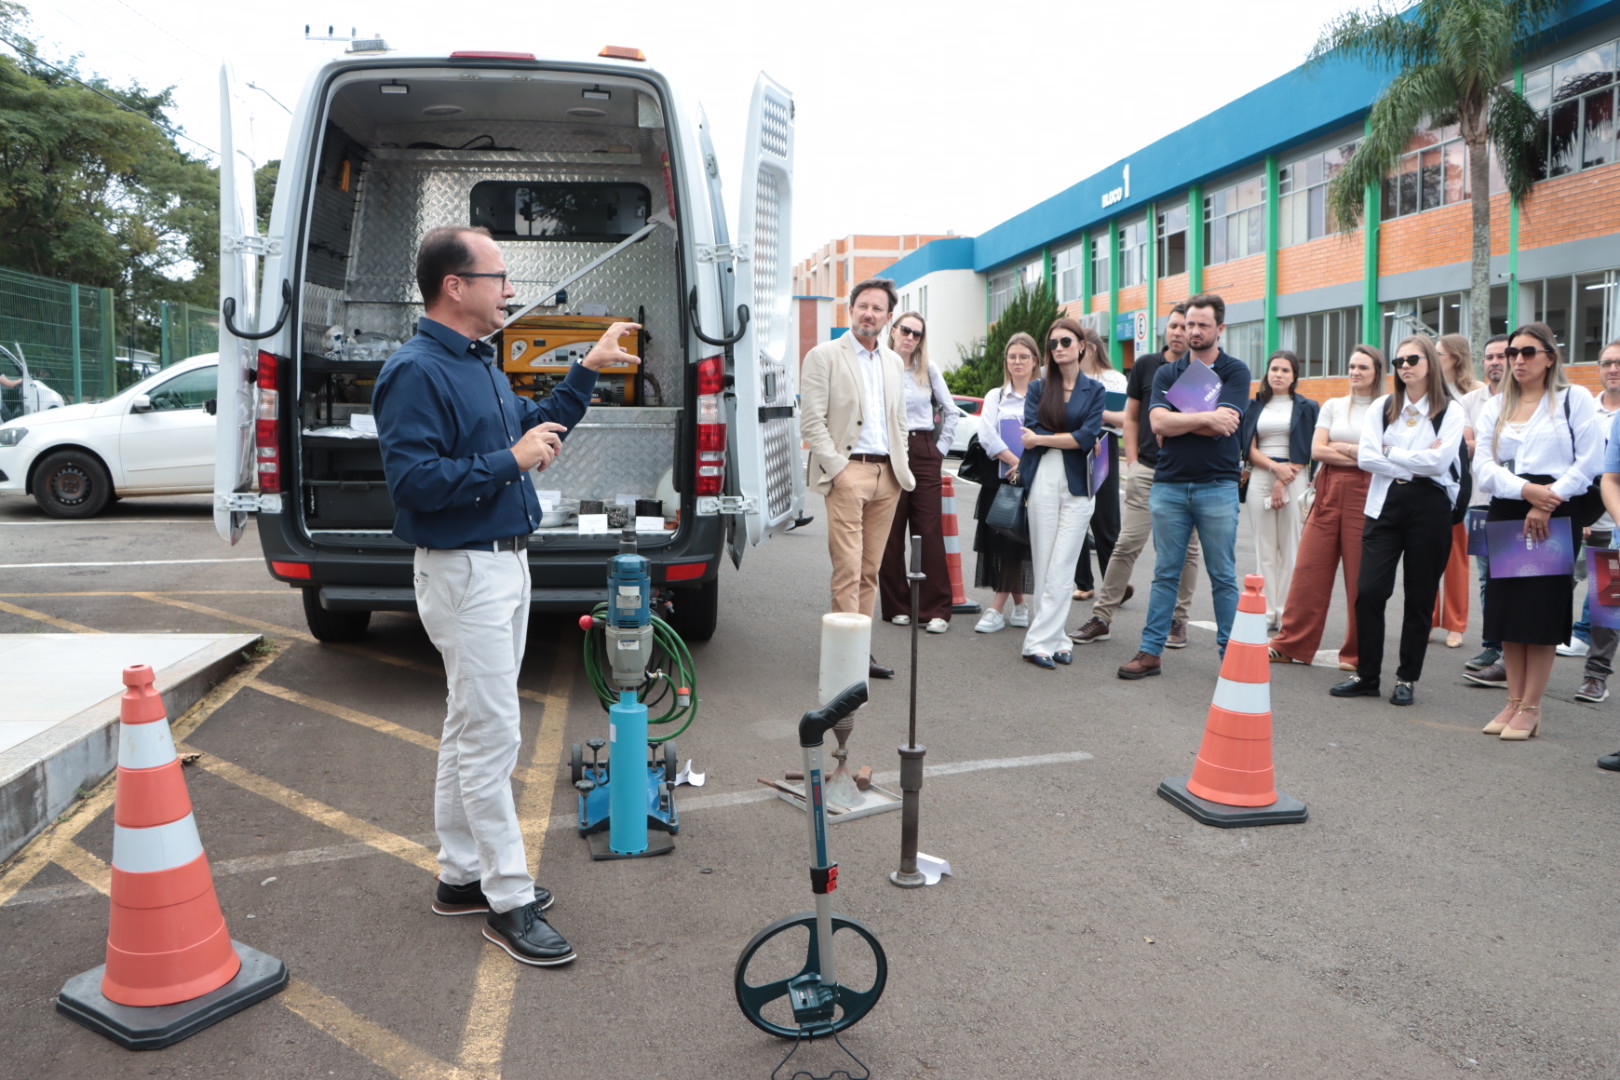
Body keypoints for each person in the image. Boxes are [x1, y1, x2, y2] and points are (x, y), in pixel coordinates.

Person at [373, 225, 638, 968]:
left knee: (468, 727)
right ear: (454, 286)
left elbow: (531, 429)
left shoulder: (476, 364)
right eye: (498, 276)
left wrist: (586, 370)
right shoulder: (414, 372)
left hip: (501, 568)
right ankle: (508, 899)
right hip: (463, 571)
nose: (509, 290)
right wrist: (507, 461)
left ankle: (461, 877)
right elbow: (413, 483)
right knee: (492, 738)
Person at [1472, 323, 1602, 739]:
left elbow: (1589, 462)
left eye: (1528, 352)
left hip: (1556, 510)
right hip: (1509, 508)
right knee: (1509, 611)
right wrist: (1526, 491)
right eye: (1512, 354)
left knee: (1540, 611)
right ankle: (1512, 702)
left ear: (1550, 356)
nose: (1518, 361)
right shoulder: (1496, 405)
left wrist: (1546, 500)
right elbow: (1484, 467)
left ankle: (1532, 706)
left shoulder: (1573, 399)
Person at [1117, 294, 1249, 679]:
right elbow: (1156, 423)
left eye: (1202, 325)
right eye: (1189, 324)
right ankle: (1150, 652)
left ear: (1220, 329)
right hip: (1170, 486)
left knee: (1223, 575)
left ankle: (1232, 656)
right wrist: (1205, 418)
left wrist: (1179, 420)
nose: (1193, 331)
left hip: (1217, 486)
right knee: (1164, 573)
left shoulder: (1236, 371)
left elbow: (1230, 424)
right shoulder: (1166, 373)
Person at [1330, 334, 1464, 707]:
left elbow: (1439, 464)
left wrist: (1391, 451)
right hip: (1384, 504)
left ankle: (1407, 678)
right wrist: (1412, 456)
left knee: (1419, 598)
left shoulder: (1451, 411)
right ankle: (1367, 675)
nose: (1404, 366)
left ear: (1430, 365)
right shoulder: (1382, 408)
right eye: (1399, 361)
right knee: (1369, 591)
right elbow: (1367, 459)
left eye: (1413, 360)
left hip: (1430, 506)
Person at [800, 278, 916, 679]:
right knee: (847, 569)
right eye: (863, 305)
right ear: (851, 310)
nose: (869, 313)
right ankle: (844, 657)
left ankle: (860, 653)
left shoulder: (894, 362)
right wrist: (839, 470)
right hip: (849, 472)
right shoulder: (824, 355)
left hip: (888, 476)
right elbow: (812, 420)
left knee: (871, 570)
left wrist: (900, 471)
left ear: (888, 317)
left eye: (877, 308)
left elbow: (898, 420)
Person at [1073, 304, 1200, 648]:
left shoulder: (1202, 372)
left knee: (1185, 551)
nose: (1177, 332)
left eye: (1184, 327)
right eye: (1173, 325)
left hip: (1186, 475)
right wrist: (1131, 459)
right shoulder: (1146, 366)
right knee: (1126, 544)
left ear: (1195, 332)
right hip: (1145, 468)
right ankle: (1102, 617)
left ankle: (1178, 620)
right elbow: (1130, 418)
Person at [1268, 345, 1383, 670]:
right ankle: (1290, 644)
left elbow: (1380, 456)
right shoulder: (1334, 404)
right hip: (1329, 487)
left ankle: (1358, 653)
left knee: (1361, 578)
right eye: (1352, 365)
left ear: (1376, 372)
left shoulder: (1385, 408)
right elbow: (1317, 450)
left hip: (1367, 491)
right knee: (1308, 568)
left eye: (1363, 367)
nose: (1355, 372)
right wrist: (1357, 452)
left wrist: (1341, 446)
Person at [1017, 317, 1105, 668]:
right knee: (1045, 560)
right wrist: (1044, 439)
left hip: (1080, 481)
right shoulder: (1039, 388)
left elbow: (1087, 436)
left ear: (1082, 345)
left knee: (1064, 563)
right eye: (1052, 344)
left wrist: (1041, 439)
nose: (1058, 349)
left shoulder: (1094, 390)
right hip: (1044, 475)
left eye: (1065, 342)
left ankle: (1042, 640)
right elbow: (1029, 428)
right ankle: (1052, 639)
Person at [877, 312, 957, 632]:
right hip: (888, 451)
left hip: (923, 450)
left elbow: (951, 412)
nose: (910, 337)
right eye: (906, 331)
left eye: (917, 334)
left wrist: (939, 451)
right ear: (893, 331)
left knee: (928, 530)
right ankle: (897, 605)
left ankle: (935, 608)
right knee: (891, 530)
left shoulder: (928, 369)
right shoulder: (879, 366)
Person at [1237, 349, 1318, 632]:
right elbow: (1248, 448)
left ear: (1294, 375)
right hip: (1260, 476)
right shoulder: (1254, 406)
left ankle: (1286, 611)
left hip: (1295, 477)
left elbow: (1309, 448)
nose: (1279, 375)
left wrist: (1282, 480)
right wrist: (1274, 470)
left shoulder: (1308, 407)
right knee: (1265, 549)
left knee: (1291, 549)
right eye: (1274, 369)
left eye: (1285, 370)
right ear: (1267, 373)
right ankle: (1267, 611)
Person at [971, 335, 1036, 633]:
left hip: (1035, 480)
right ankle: (1020, 605)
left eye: (1024, 356)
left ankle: (996, 607)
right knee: (1003, 541)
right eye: (1012, 357)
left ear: (1035, 360)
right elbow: (986, 435)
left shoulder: (1042, 395)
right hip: (1001, 480)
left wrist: (1025, 466)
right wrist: (1014, 461)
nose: (1017, 362)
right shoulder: (996, 395)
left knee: (1019, 542)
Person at [1570, 339, 1620, 705]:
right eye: (1607, 363)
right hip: (1588, 518)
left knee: (1606, 600)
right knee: (1552, 584)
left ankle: (1595, 673)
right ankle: (1518, 659)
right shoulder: (1585, 408)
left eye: (1619, 363)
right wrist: (1586, 514)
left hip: (1610, 526)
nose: (1613, 369)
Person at [1461, 335, 1510, 685]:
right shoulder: (1469, 400)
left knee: (1514, 576)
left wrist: (1485, 443)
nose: (1495, 362)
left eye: (1502, 356)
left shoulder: (1525, 396)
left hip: (1514, 500)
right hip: (1478, 502)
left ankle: (1515, 646)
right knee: (1485, 577)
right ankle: (1492, 645)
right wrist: (1492, 443)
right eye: (1490, 356)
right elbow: (1464, 446)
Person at [1430, 333, 1479, 648]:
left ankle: (1456, 624)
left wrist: (1447, 445)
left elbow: (1477, 444)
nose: (1434, 359)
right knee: (1425, 555)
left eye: (1439, 354)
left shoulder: (1473, 393)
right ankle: (1427, 618)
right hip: (1428, 482)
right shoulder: (1427, 390)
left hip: (1459, 486)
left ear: (1456, 358)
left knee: (1457, 558)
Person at [1072, 328, 1125, 600]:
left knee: (1106, 519)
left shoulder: (1114, 379)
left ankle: (1114, 586)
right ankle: (1084, 583)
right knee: (1075, 513)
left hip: (1105, 443)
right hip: (1074, 445)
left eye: (1074, 345)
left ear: (1089, 348)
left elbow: (1125, 418)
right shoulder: (1069, 377)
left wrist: (1095, 411)